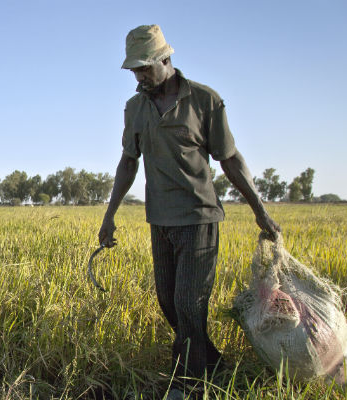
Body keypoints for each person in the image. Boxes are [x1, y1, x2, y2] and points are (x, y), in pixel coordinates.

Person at [98, 24, 281, 399]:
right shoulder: (135, 108)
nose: (140, 76)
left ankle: (186, 384)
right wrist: (109, 214)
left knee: (188, 303)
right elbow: (128, 162)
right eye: (134, 70)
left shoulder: (204, 100)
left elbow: (230, 160)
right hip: (159, 221)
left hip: (199, 220)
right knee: (169, 302)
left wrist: (260, 212)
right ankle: (211, 364)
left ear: (166, 59)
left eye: (146, 67)